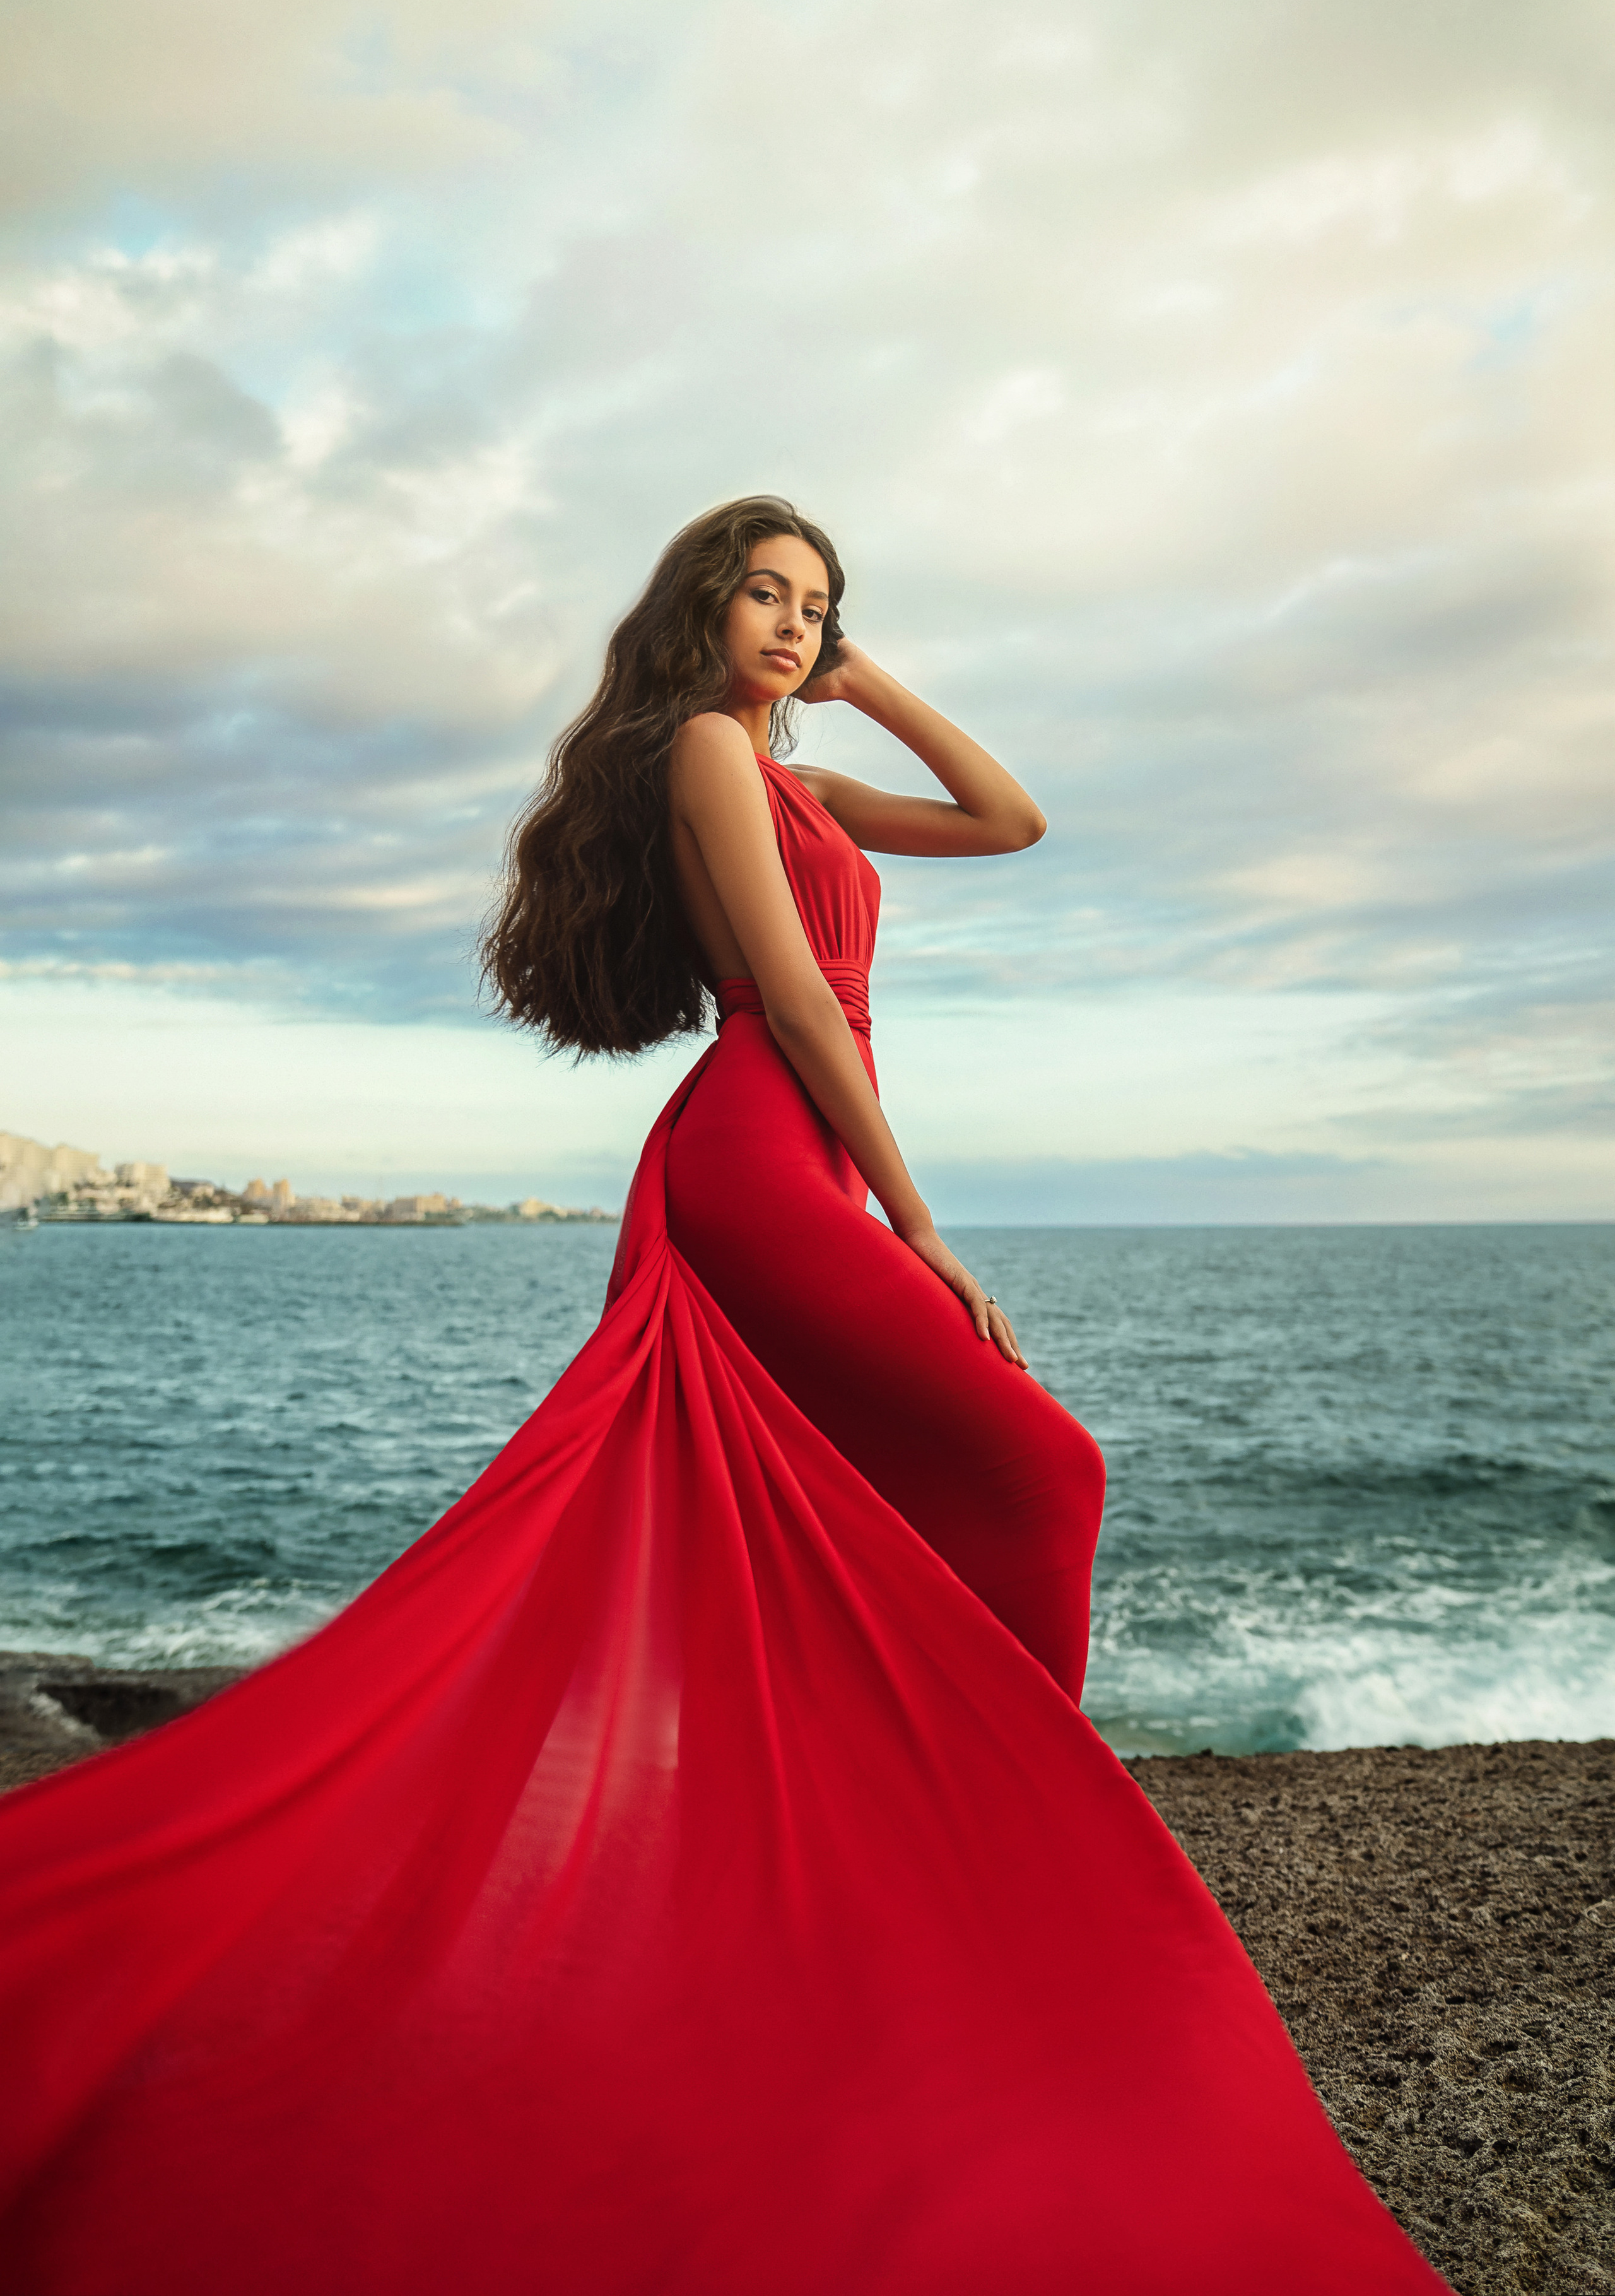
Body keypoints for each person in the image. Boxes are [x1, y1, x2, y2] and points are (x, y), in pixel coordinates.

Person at [0, 498, 1450, 2295]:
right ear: (704, 607)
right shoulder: (702, 748)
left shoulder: (800, 777)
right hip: (765, 1151)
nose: (789, 625)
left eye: (816, 606)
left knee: (874, 1507)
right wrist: (921, 1226)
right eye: (766, 594)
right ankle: (1006, 1860)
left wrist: (868, 683)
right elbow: (800, 1006)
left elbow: (1013, 818)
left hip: (801, 1152)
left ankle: (914, 1852)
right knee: (1043, 1469)